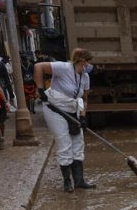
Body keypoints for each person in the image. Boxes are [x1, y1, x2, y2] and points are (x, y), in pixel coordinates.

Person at [34, 48, 96, 193]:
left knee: (78, 142)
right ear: (81, 60)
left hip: (73, 109)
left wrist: (82, 116)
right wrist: (40, 90)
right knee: (64, 142)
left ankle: (79, 180)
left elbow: (84, 99)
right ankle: (67, 182)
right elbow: (38, 67)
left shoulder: (85, 77)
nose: (88, 66)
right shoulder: (63, 68)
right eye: (87, 62)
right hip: (55, 108)